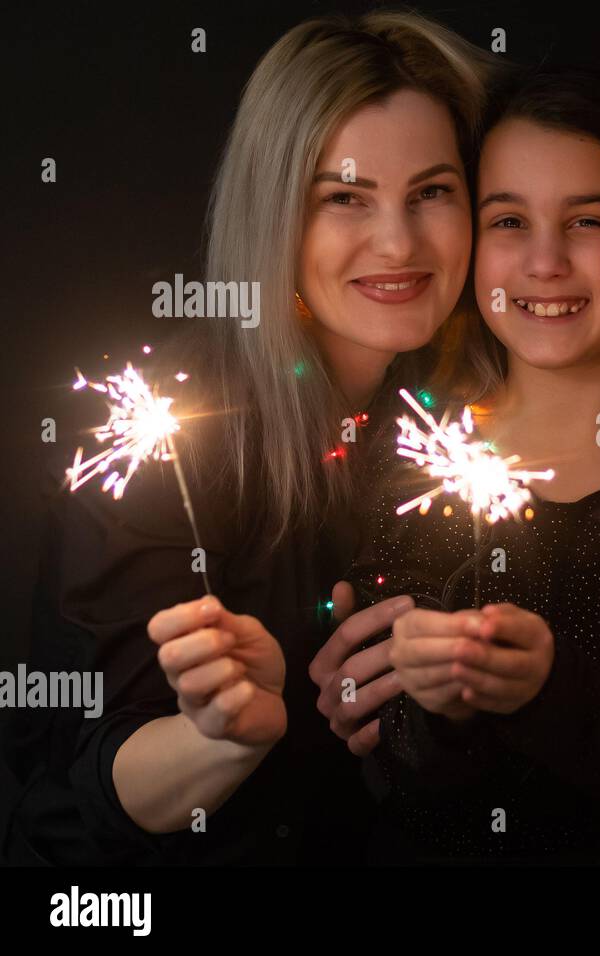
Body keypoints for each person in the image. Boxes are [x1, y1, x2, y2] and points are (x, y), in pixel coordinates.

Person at [1, 10, 497, 864]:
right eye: (344, 198)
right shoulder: (164, 431)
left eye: (431, 192)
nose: (399, 242)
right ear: (276, 218)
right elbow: (90, 774)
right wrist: (225, 738)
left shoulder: (467, 424)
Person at [336, 65, 600, 864]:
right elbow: (383, 754)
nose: (545, 262)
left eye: (587, 221)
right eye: (509, 221)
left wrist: (542, 695)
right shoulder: (409, 453)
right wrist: (439, 708)